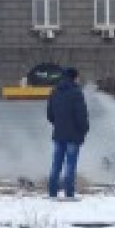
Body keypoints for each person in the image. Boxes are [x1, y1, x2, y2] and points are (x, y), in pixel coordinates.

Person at [46, 67, 89, 199]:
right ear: (74, 77)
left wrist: (58, 124)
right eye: (77, 77)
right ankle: (69, 193)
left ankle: (52, 192)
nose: (78, 79)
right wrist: (84, 128)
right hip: (73, 135)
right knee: (70, 165)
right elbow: (81, 115)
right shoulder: (76, 92)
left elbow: (49, 114)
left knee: (56, 164)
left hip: (59, 134)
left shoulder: (54, 91)